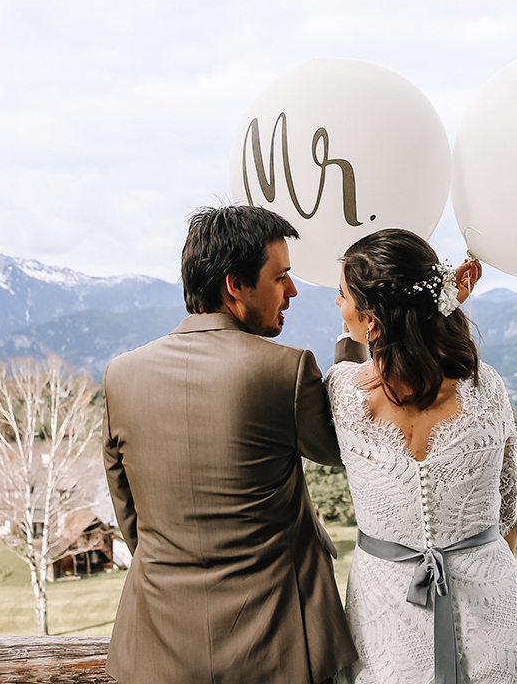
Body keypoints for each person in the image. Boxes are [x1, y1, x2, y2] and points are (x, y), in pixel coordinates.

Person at [102, 205, 356, 684]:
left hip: (157, 648)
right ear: (235, 285)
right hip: (279, 643)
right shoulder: (287, 370)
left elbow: (132, 520)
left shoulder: (121, 374)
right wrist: (354, 340)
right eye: (281, 276)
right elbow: (340, 450)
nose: (293, 289)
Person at [328, 228, 517, 684]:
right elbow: (507, 512)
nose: (338, 305)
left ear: (370, 319)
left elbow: (352, 358)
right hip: (494, 616)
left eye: (342, 297)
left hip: (386, 629)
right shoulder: (484, 385)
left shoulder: (342, 395)